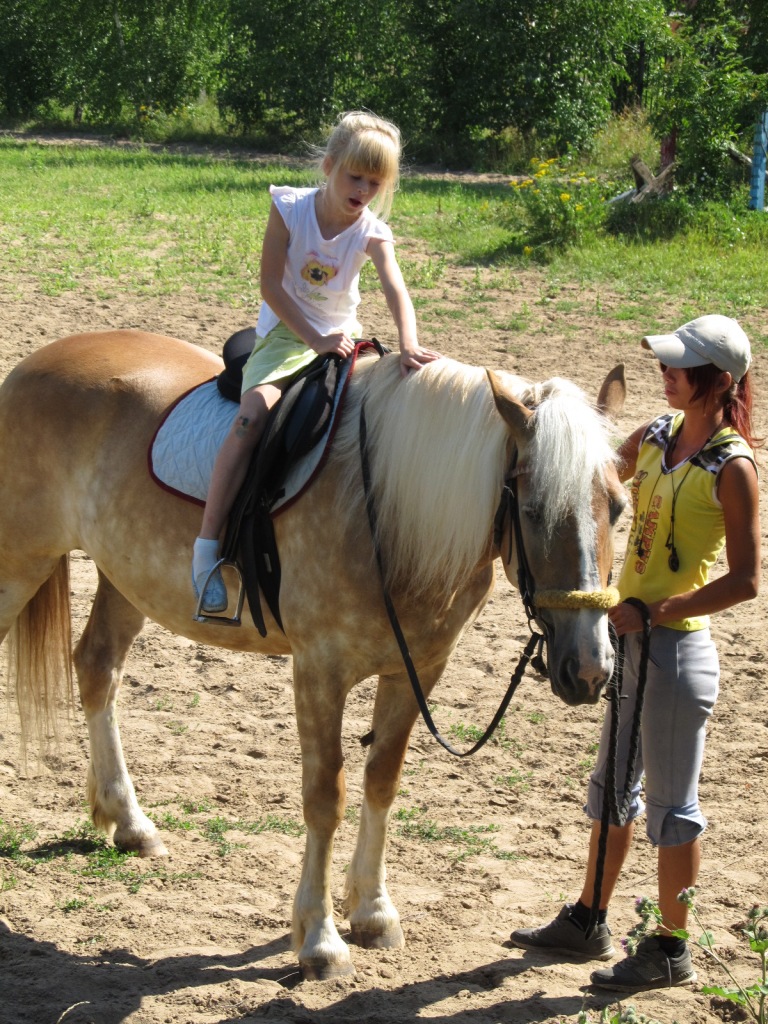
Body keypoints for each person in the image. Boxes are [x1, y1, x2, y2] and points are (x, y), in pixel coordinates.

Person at [509, 315, 761, 992]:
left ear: (719, 381)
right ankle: (589, 916)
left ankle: (672, 946)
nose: (665, 371)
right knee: (610, 791)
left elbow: (745, 580)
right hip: (623, 640)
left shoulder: (733, 467)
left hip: (675, 656)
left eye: (680, 365)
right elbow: (591, 488)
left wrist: (657, 610)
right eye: (667, 363)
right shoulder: (652, 436)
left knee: (672, 808)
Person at [192, 111, 440, 613]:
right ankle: (207, 549)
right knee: (249, 419)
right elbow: (271, 286)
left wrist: (408, 341)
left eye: (375, 182)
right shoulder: (290, 209)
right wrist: (314, 336)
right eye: (355, 176)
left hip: (340, 336)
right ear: (328, 166)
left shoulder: (372, 231)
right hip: (287, 334)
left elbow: (395, 287)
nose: (363, 189)